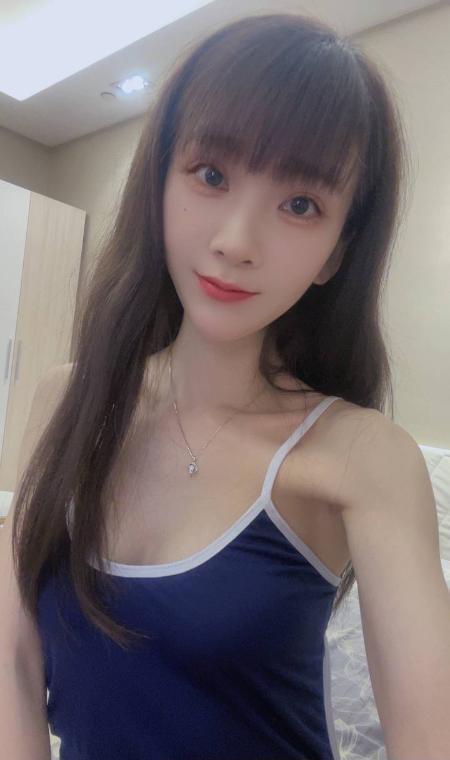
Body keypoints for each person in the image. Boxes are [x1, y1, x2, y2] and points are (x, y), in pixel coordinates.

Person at [3, 11, 449, 760]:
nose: (236, 241)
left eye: (300, 205)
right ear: (160, 182)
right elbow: (11, 657)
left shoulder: (361, 457)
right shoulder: (68, 400)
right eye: (211, 174)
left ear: (336, 253)